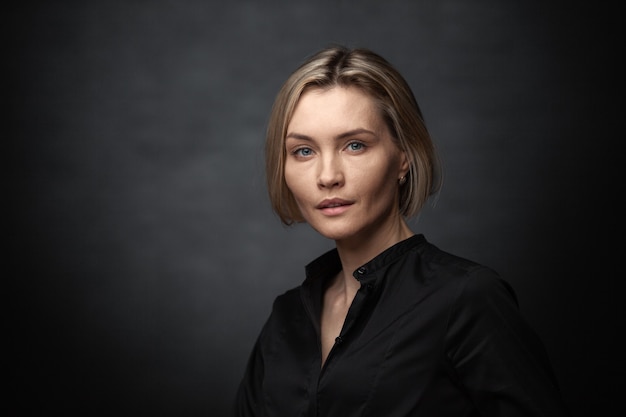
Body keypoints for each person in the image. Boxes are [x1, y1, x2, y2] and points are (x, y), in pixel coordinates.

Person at [234, 45, 570, 416]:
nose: (328, 176)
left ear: (403, 157)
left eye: (355, 145)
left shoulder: (466, 299)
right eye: (303, 151)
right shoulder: (286, 318)